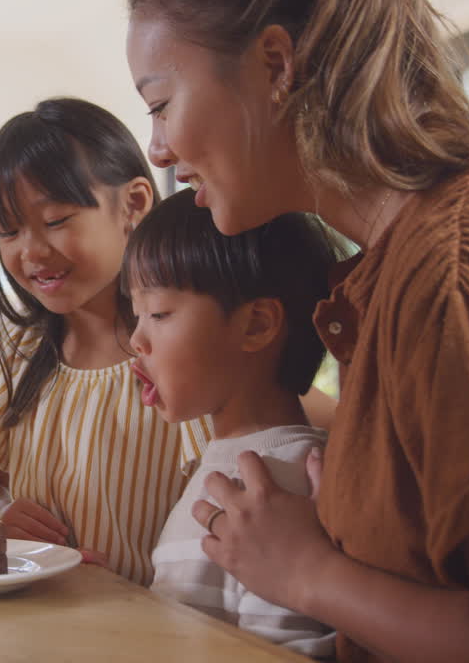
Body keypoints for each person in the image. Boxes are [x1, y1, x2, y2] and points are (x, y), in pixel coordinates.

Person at [126, 0, 469, 661]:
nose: (160, 148)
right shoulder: (405, 265)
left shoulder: (462, 269)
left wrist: (308, 572)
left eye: (161, 105)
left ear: (275, 65)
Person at [0, 97, 334, 585]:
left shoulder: (194, 357)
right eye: (8, 231)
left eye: (56, 220)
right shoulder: (19, 358)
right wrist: (1, 512)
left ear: (135, 204)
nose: (31, 251)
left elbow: (305, 428)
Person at [126, 188, 337, 657]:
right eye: (136, 314)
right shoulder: (231, 460)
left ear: (257, 325)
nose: (137, 338)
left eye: (158, 313)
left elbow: (288, 650)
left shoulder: (279, 478)